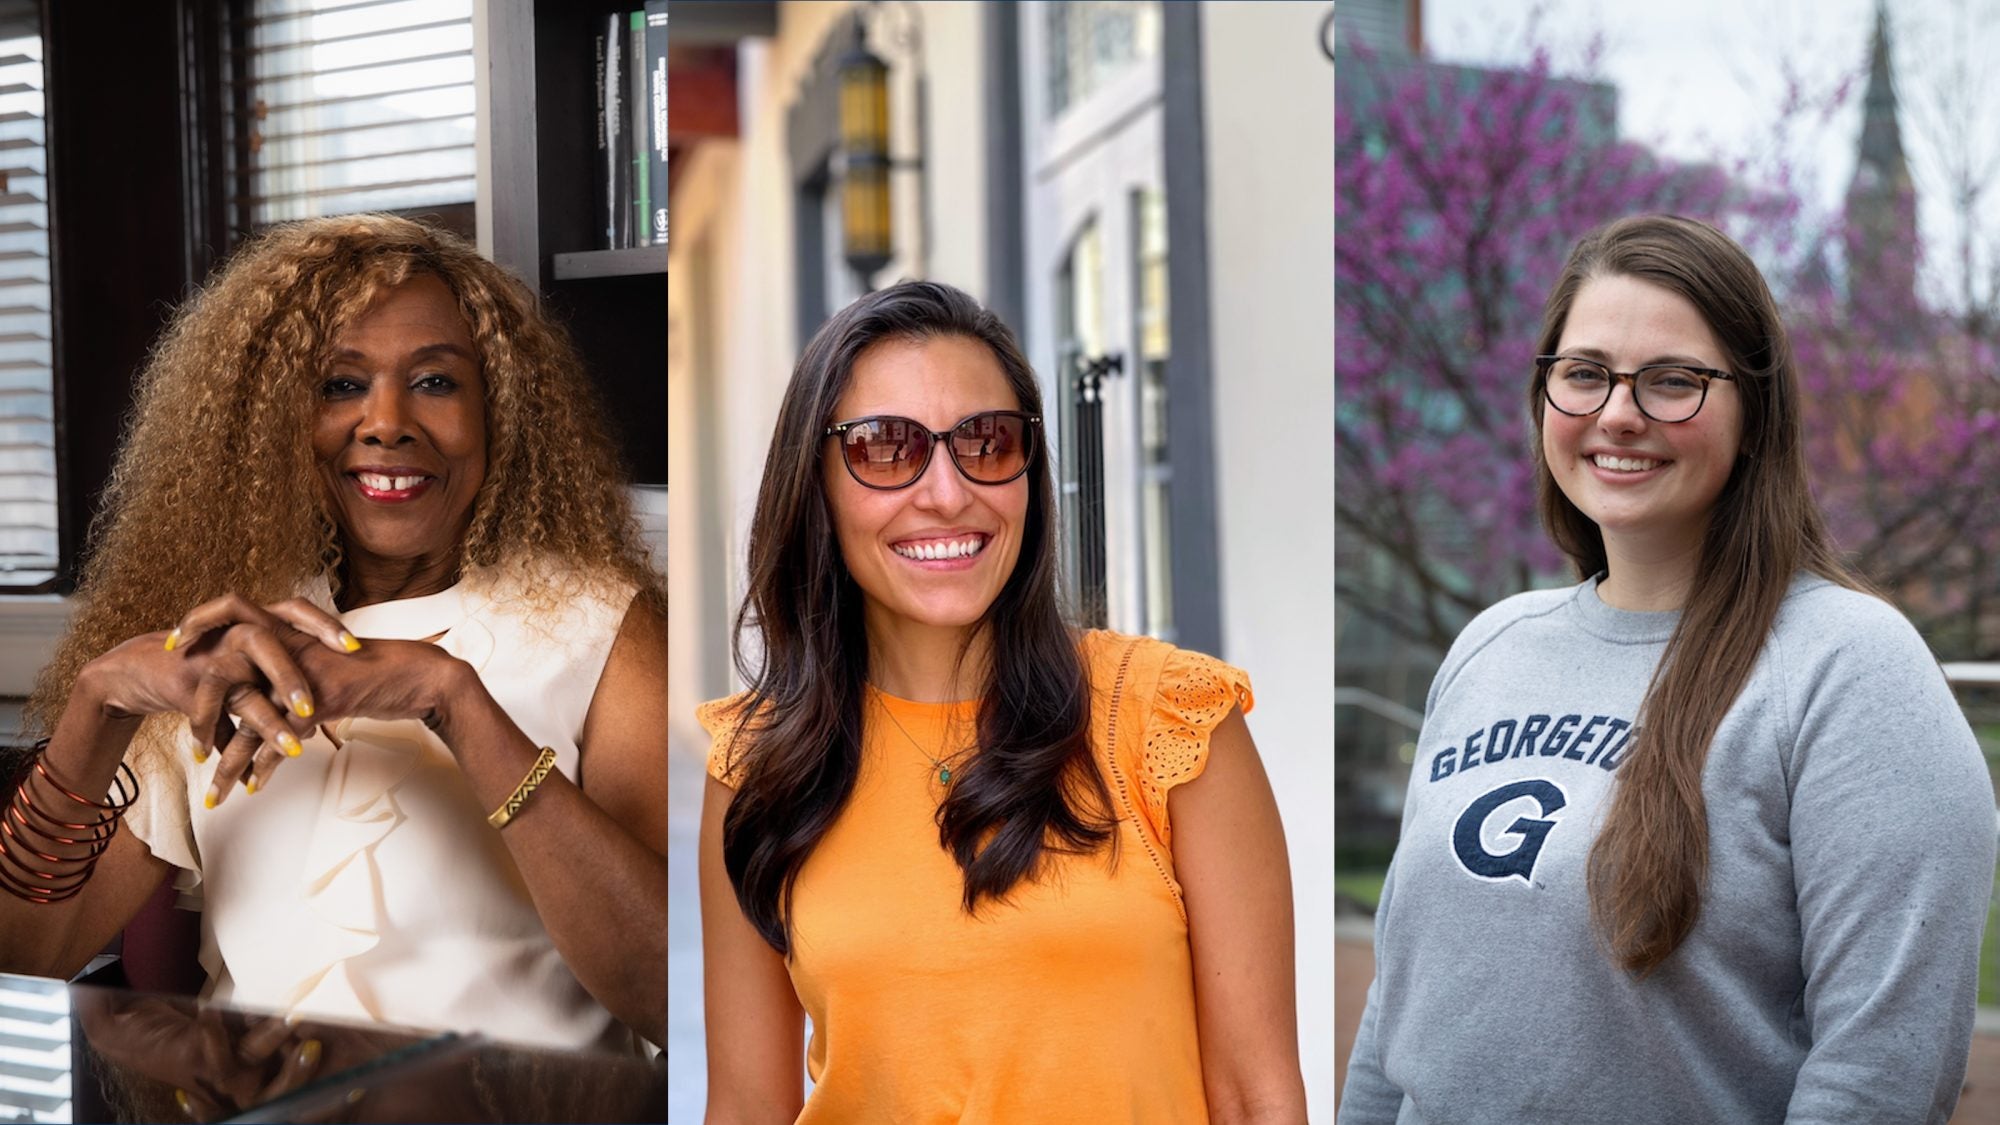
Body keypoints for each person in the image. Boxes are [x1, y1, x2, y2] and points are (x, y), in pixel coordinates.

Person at [1338, 214, 1997, 1123]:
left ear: (1754, 409)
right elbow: (1399, 1002)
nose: (1617, 413)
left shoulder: (1849, 668)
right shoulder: (1491, 646)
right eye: (1584, 374)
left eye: (1673, 381)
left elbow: (1881, 1069)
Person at [0, 216, 668, 1079]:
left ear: (500, 409)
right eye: (339, 385)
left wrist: (456, 701)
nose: (385, 423)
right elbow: (24, 963)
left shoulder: (605, 626)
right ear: (273, 418)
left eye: (435, 381)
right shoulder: (223, 639)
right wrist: (98, 702)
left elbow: (669, 993)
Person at [696, 280, 1307, 1123]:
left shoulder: (1173, 719)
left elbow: (1257, 1099)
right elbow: (743, 1108)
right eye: (885, 447)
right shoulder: (757, 766)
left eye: (985, 442)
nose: (949, 492)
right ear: (818, 485)